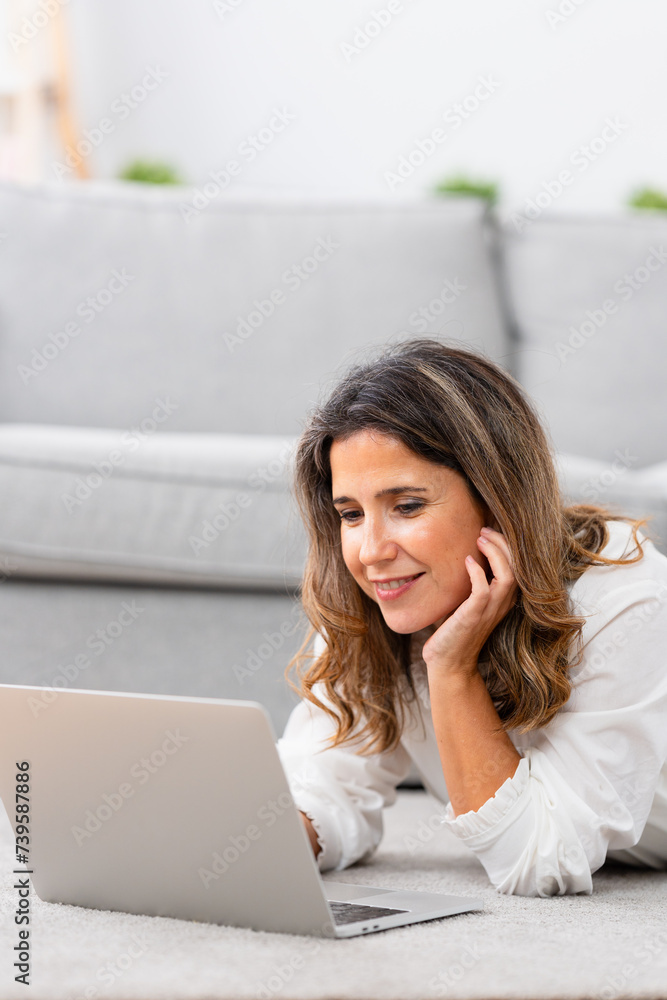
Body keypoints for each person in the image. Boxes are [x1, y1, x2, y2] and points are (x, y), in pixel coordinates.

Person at [275, 338, 667, 897]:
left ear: (497, 499)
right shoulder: (384, 597)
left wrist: (451, 668)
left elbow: (543, 859)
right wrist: (257, 846)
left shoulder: (620, 596)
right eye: (351, 514)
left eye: (407, 506)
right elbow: (327, 784)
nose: (371, 552)